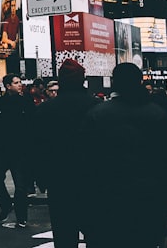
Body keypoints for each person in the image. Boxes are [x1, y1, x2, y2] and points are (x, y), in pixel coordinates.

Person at [78, 63, 167, 248]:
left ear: (114, 83)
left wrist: (83, 207)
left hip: (106, 202)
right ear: (139, 82)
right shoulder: (158, 116)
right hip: (148, 202)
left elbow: (83, 164)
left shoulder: (96, 116)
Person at [34, 60, 99, 248]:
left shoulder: (45, 110)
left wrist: (41, 178)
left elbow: (37, 147)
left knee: (64, 237)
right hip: (92, 181)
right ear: (83, 80)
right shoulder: (96, 107)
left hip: (59, 181)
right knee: (95, 235)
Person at [0, 74, 34, 228]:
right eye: (16, 83)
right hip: (2, 149)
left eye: (20, 82)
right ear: (8, 86)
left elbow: (31, 123)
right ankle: (6, 204)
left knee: (20, 185)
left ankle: (21, 217)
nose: (20, 85)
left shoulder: (26, 101)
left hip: (20, 149)